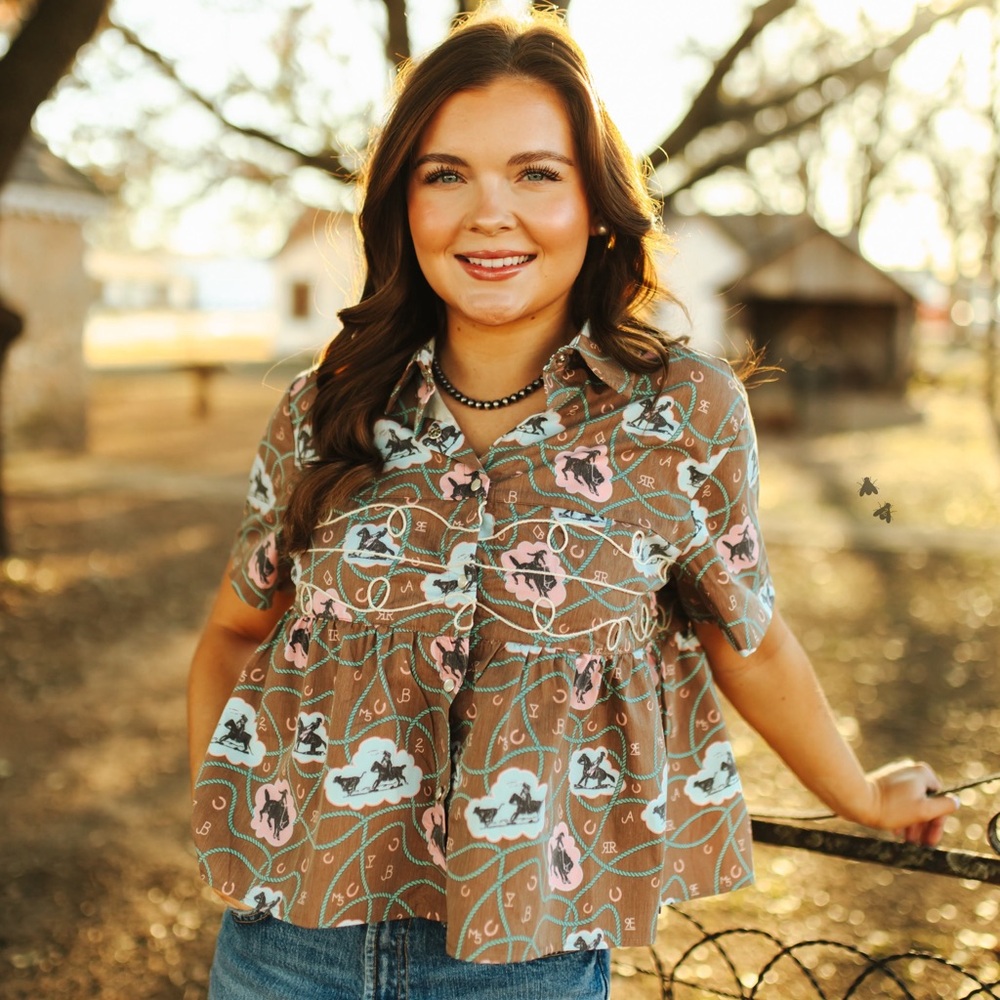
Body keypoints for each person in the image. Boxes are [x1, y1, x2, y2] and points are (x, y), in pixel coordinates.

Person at [187, 10, 958, 999]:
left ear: (595, 204)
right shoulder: (325, 406)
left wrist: (858, 791)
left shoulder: (682, 412)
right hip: (282, 950)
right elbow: (231, 633)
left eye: (535, 173)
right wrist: (216, 806)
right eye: (445, 173)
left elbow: (748, 639)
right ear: (403, 204)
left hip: (527, 961)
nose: (487, 212)